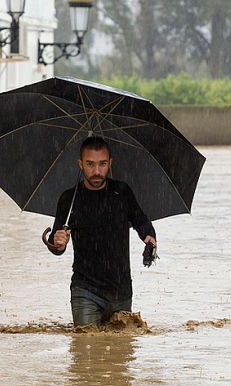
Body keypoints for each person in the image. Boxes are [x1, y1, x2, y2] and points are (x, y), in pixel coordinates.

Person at [46, 136, 156, 327]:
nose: (96, 171)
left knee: (120, 346)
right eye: (90, 164)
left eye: (102, 164)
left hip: (121, 292)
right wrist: (58, 243)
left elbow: (142, 221)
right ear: (80, 164)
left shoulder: (122, 192)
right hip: (85, 290)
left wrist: (149, 237)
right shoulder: (69, 199)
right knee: (86, 342)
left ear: (110, 163)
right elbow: (56, 246)